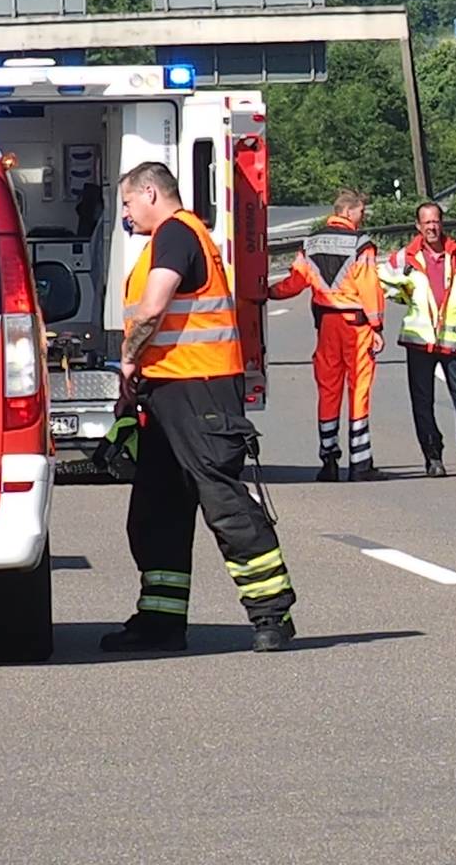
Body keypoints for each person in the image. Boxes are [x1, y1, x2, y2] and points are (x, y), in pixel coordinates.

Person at [104, 162, 295, 654]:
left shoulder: (177, 235)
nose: (126, 214)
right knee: (157, 510)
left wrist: (127, 360)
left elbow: (152, 307)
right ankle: (161, 620)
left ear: (150, 192)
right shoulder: (175, 237)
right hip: (168, 389)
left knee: (223, 503)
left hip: (198, 388)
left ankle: (271, 612)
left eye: (127, 203)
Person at [267, 187, 385, 482]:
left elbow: (295, 282)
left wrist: (267, 293)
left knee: (328, 391)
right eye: (360, 211)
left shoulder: (311, 242)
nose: (363, 216)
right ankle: (360, 463)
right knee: (358, 389)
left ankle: (328, 461)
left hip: (326, 325)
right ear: (347, 212)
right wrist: (377, 326)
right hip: (355, 326)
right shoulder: (361, 244)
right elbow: (369, 288)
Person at [380, 201, 456, 476]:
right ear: (418, 226)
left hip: (455, 340)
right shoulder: (405, 258)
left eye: (436, 221)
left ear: (441, 223)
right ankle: (433, 457)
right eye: (427, 223)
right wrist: (404, 296)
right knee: (422, 403)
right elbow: (382, 281)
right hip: (419, 342)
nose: (432, 227)